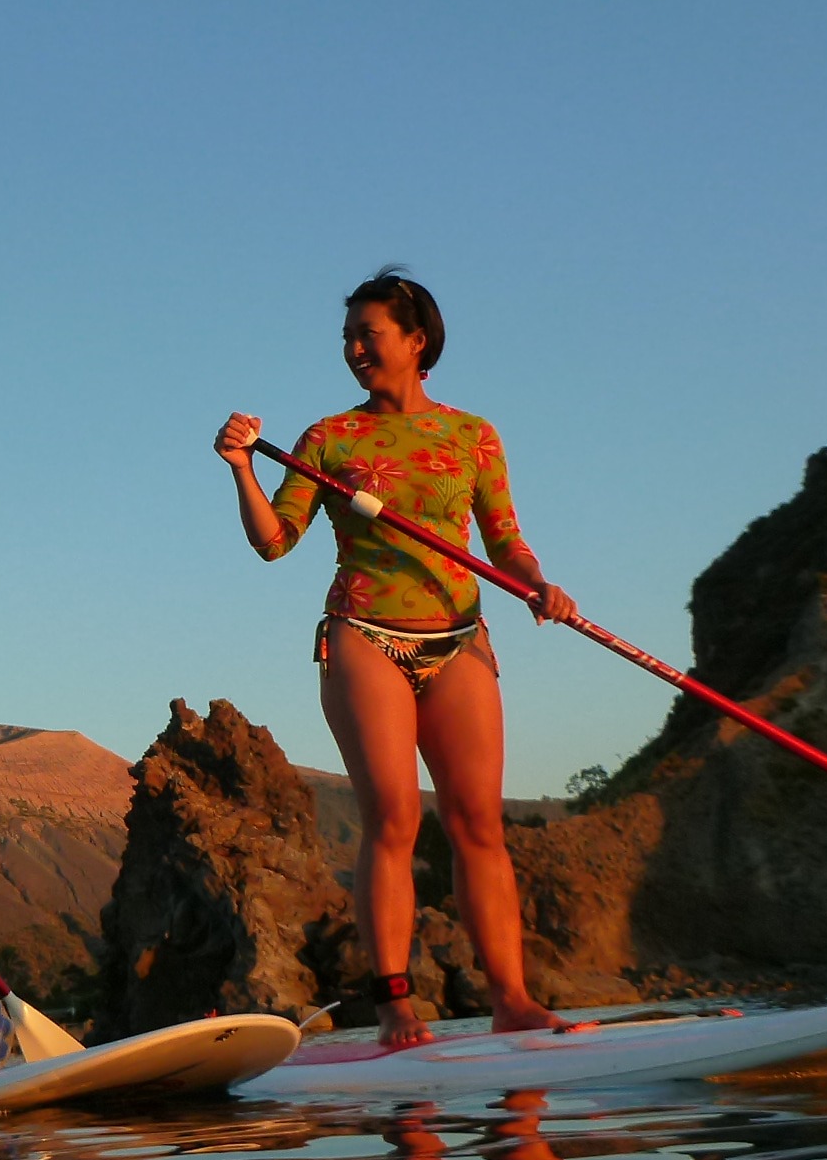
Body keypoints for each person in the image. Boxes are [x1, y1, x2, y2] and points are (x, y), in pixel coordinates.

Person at [213, 270, 574, 1048]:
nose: (353, 349)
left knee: (478, 822)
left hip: (460, 635)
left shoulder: (473, 435)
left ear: (416, 341)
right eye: (347, 337)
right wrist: (242, 469)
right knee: (396, 818)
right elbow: (276, 543)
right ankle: (397, 1009)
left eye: (367, 334)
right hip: (365, 634)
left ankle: (511, 999)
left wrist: (539, 586)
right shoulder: (327, 439)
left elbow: (504, 539)